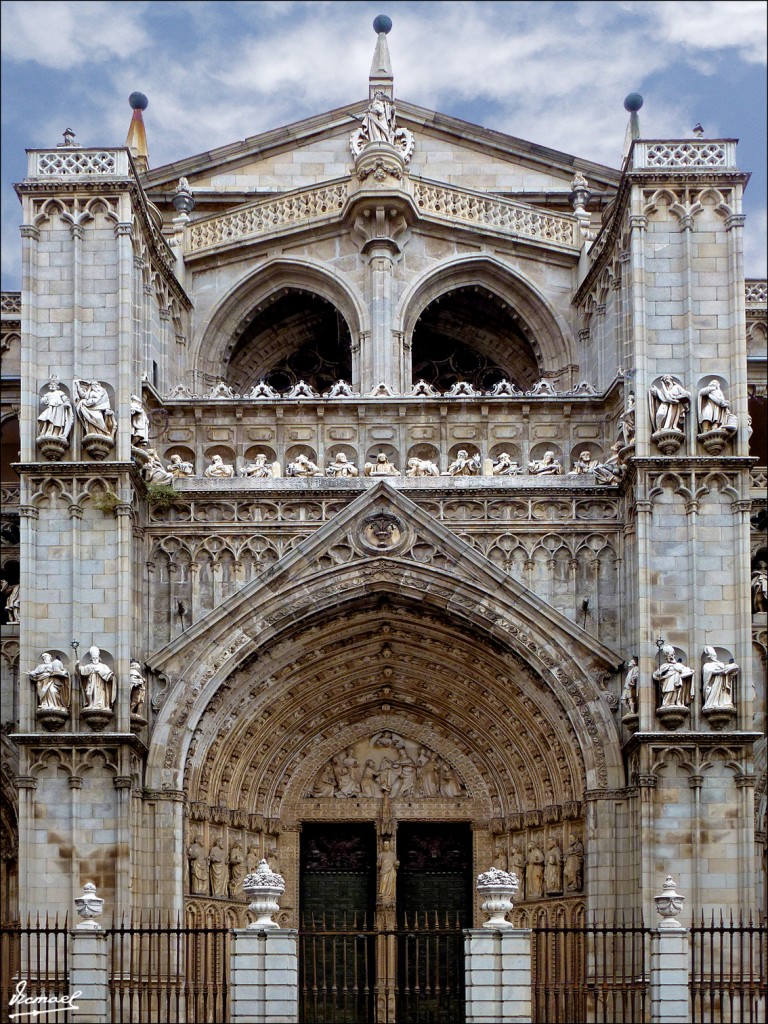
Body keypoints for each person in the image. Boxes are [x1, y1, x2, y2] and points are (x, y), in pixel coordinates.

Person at [377, 839, 399, 904]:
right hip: (383, 872)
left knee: (390, 884)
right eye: (385, 844)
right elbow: (378, 864)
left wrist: (396, 864)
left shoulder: (393, 855)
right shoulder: (380, 855)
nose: (386, 845)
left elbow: (395, 865)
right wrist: (379, 864)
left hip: (391, 872)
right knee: (383, 882)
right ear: (383, 845)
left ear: (389, 845)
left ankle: (390, 896)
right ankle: (383, 895)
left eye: (387, 844)